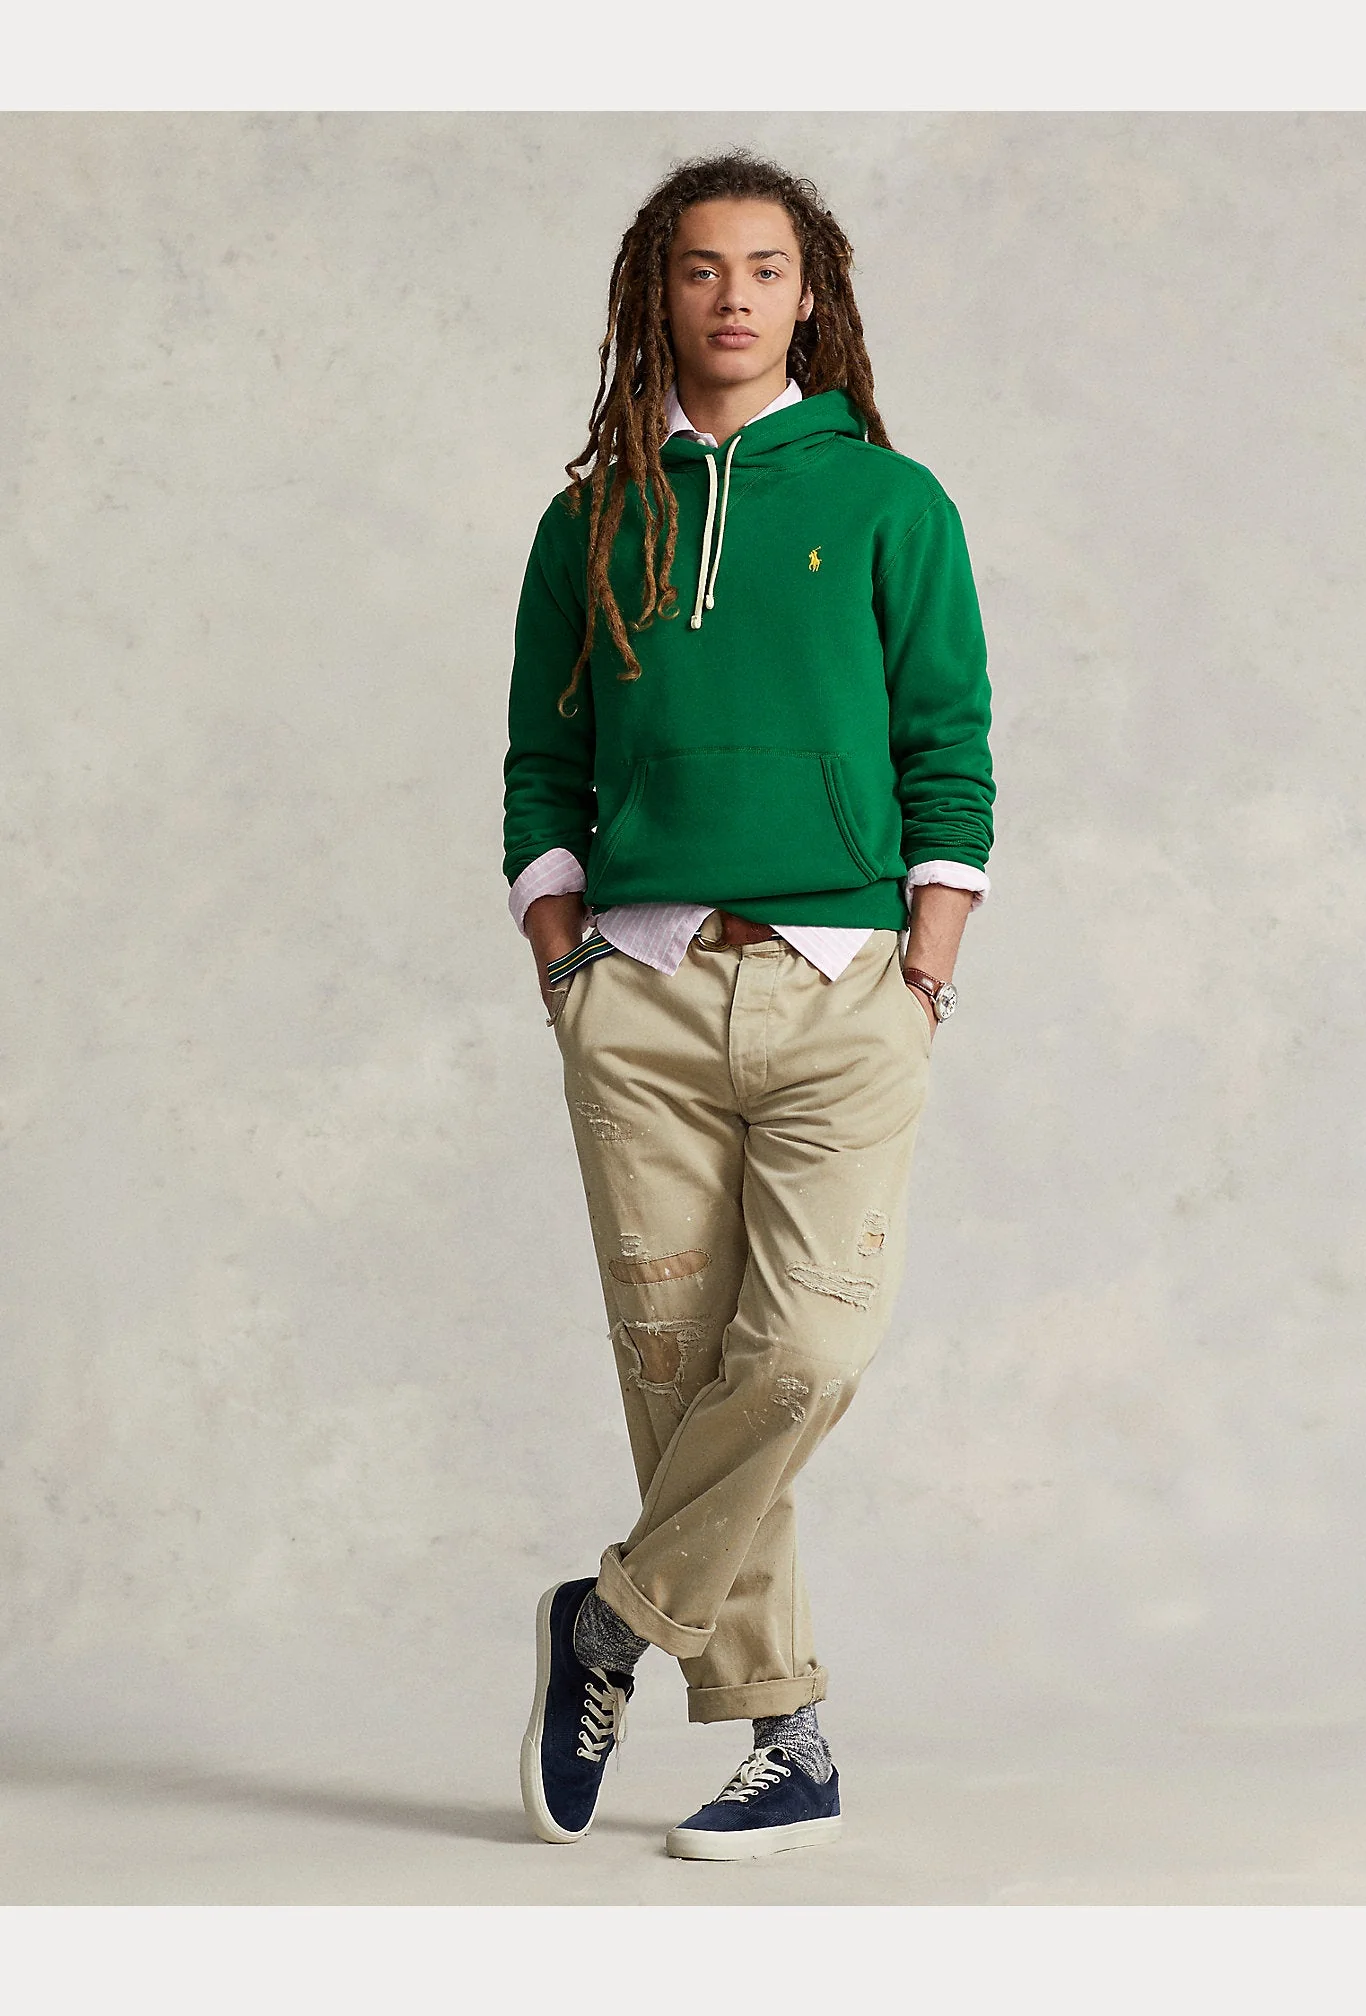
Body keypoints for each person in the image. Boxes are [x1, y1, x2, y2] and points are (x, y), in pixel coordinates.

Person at [502, 150, 994, 1861]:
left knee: (801, 1354)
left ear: (811, 294)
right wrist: (561, 957)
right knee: (679, 1371)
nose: (732, 296)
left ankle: (609, 1620)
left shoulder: (892, 503)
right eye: (701, 267)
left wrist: (928, 962)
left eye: (765, 268)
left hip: (843, 988)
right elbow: (543, 761)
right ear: (659, 292)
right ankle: (787, 1740)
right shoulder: (589, 520)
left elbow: (949, 743)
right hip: (639, 993)